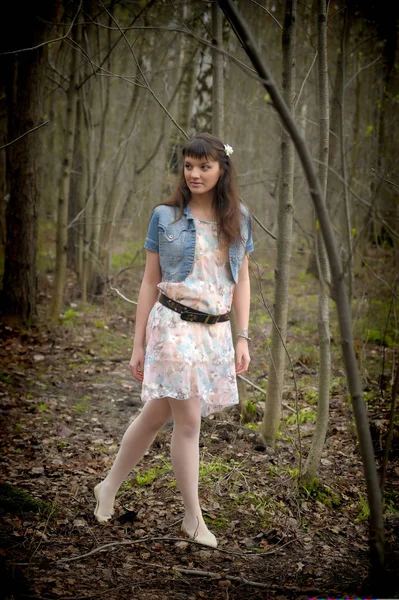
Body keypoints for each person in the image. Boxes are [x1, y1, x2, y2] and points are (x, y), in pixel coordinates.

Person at [93, 132, 254, 548]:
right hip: (176, 326)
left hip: (216, 333)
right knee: (189, 422)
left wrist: (243, 335)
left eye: (205, 166)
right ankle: (193, 517)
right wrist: (138, 343)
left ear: (222, 169)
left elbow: (242, 280)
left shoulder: (239, 218)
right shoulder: (165, 216)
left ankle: (107, 487)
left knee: (155, 414)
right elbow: (149, 282)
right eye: (189, 166)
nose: (195, 174)